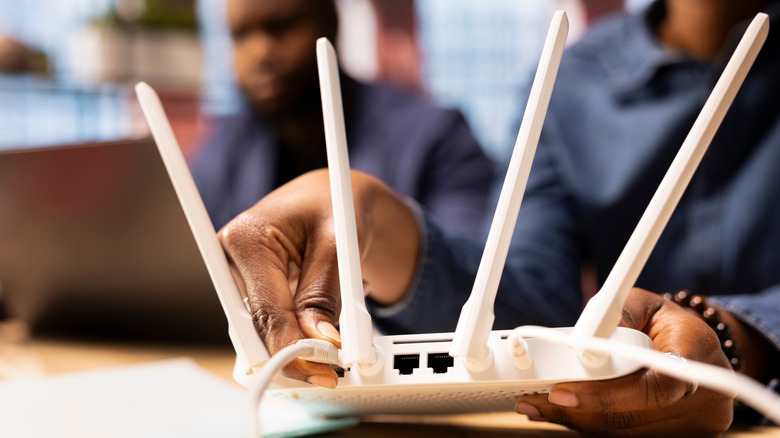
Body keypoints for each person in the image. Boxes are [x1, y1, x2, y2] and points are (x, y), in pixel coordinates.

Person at [218, 0, 780, 435]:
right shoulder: (570, 80)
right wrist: (381, 230)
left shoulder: (438, 126)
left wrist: (739, 338)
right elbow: (531, 308)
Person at [190, 0, 494, 239]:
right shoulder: (225, 145)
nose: (259, 52)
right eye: (240, 35)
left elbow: (465, 276)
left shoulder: (435, 136)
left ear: (330, 24)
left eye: (280, 27)